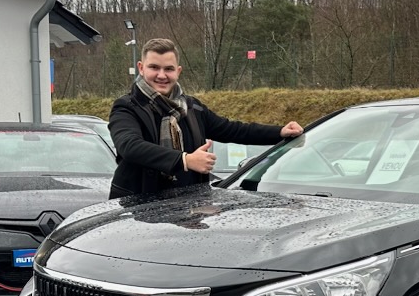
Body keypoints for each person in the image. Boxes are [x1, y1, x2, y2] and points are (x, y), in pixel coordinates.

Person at [108, 38, 303, 199]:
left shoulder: (193, 107)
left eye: (168, 69)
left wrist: (279, 132)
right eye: (154, 67)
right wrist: (185, 160)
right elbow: (130, 146)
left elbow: (233, 130)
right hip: (138, 211)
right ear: (141, 68)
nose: (161, 75)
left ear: (178, 71)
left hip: (187, 208)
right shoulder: (127, 107)